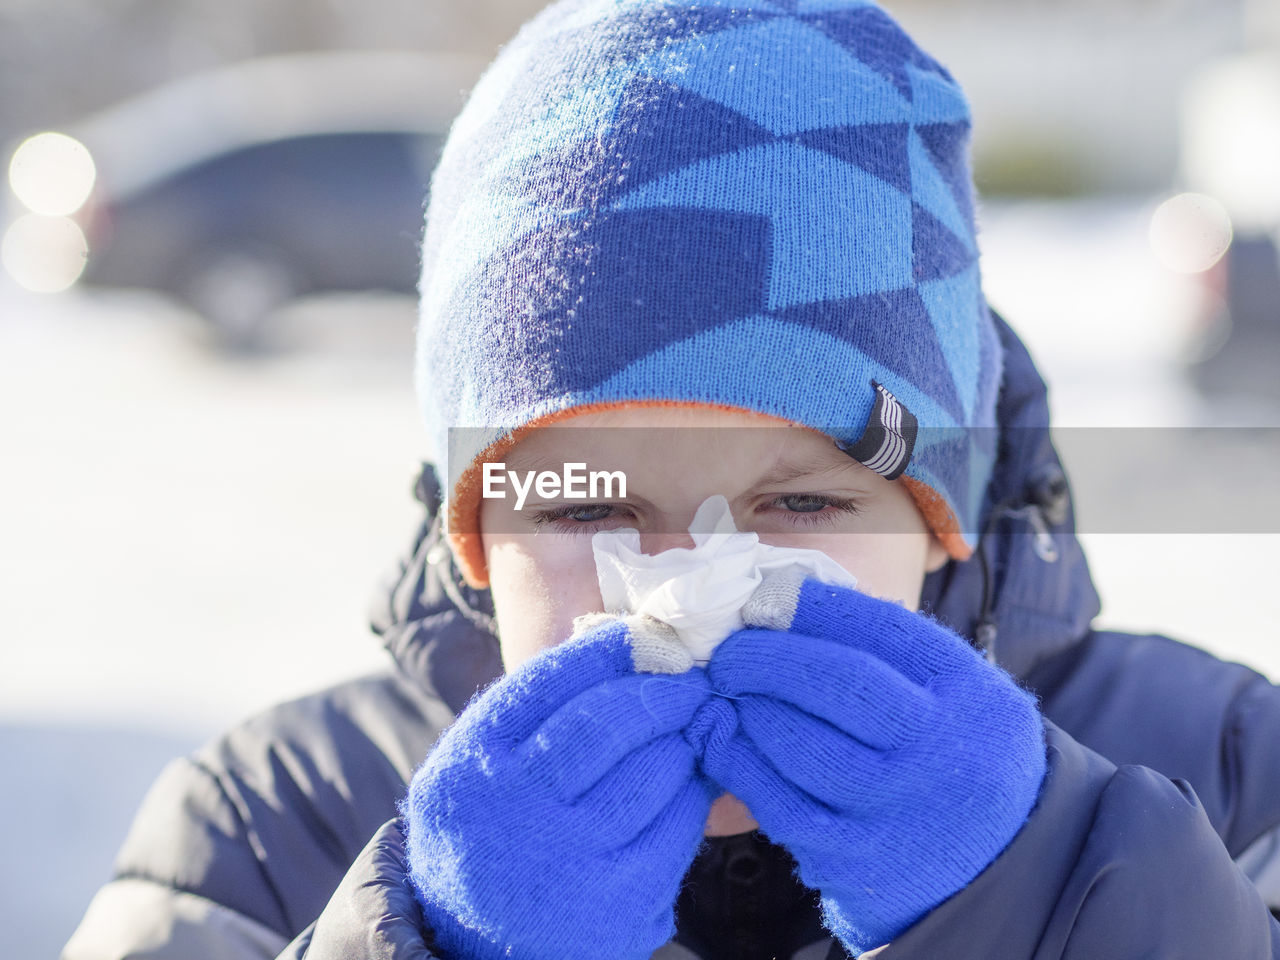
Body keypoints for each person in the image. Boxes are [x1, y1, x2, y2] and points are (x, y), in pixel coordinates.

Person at [63, 1, 1280, 958]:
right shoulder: (271, 826)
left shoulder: (1224, 771)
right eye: (589, 501)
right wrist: (434, 942)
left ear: (941, 520)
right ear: (473, 528)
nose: (688, 587)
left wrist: (1048, 889)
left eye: (802, 502)